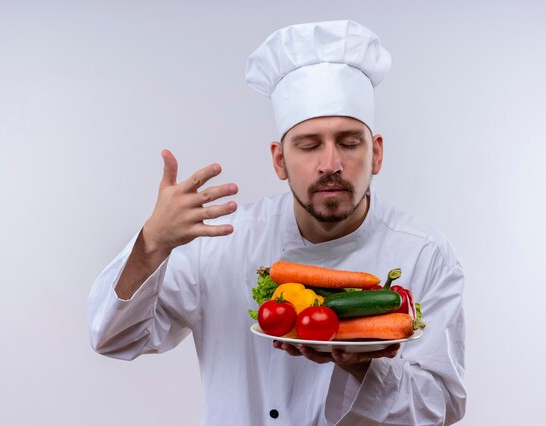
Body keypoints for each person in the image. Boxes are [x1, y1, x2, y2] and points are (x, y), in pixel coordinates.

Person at [88, 20, 466, 425]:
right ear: (279, 160)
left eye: (349, 142)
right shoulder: (223, 244)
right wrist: (152, 244)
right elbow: (114, 338)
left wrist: (363, 366)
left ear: (376, 153)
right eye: (308, 145)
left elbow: (441, 408)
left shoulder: (425, 253)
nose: (331, 164)